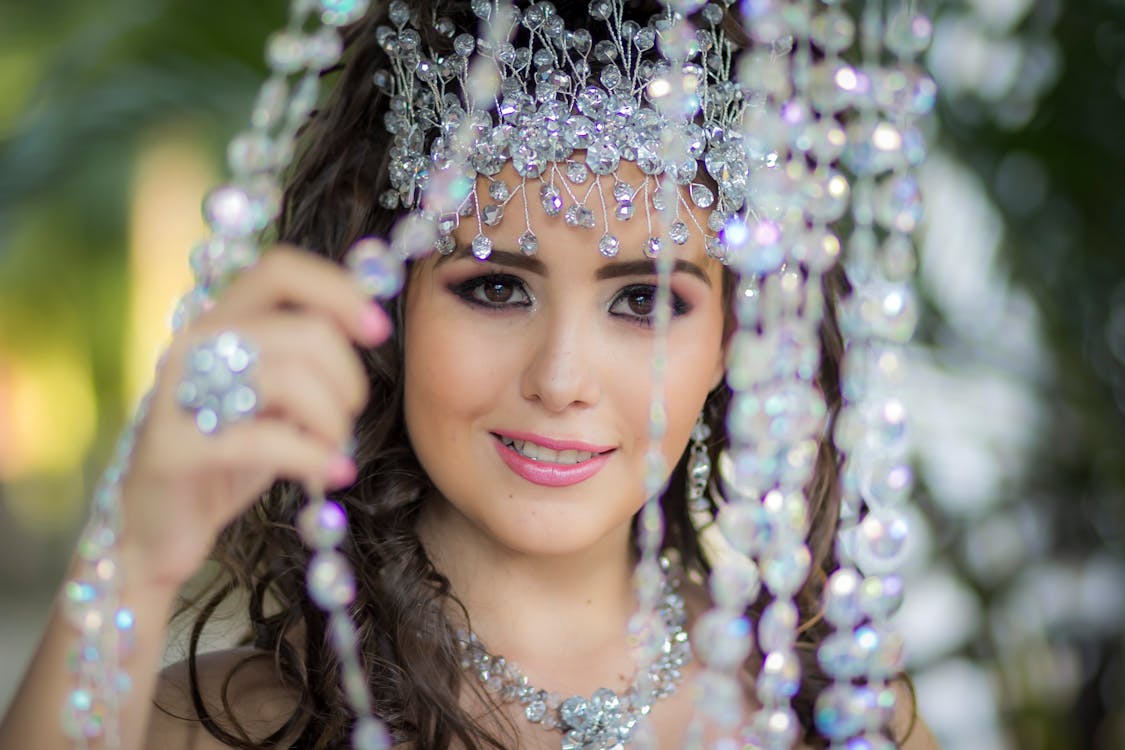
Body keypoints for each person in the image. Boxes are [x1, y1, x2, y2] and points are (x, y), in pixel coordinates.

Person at [0, 1, 940, 748]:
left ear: (734, 332)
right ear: (387, 305)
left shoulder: (835, 709)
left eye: (644, 301)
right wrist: (131, 561)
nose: (561, 379)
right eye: (494, 286)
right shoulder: (208, 724)